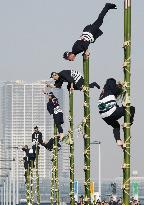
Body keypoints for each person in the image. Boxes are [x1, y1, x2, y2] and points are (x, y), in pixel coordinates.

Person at [98, 78, 135, 148]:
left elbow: (114, 104)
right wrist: (122, 86)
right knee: (131, 109)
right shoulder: (110, 83)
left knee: (116, 125)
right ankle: (129, 124)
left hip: (104, 115)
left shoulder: (104, 92)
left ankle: (118, 140)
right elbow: (116, 90)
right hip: (110, 111)